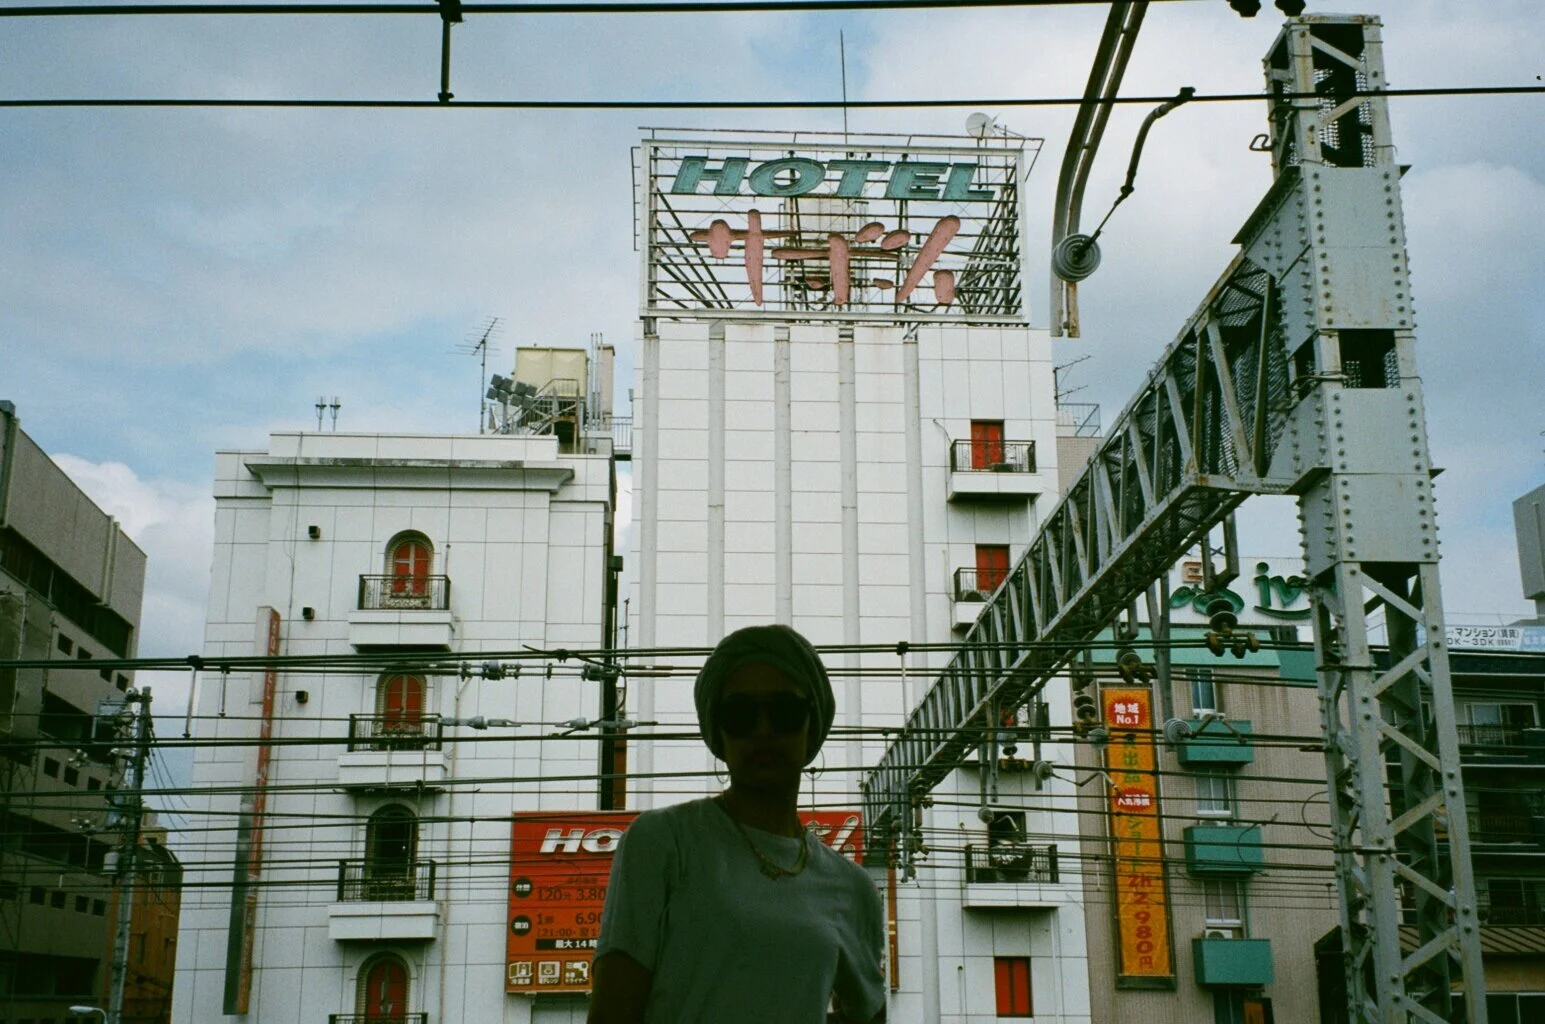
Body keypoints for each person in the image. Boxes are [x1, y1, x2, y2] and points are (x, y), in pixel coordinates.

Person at [588, 624, 886, 1024]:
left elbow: (868, 1012)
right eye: (740, 714)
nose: (763, 730)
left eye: (784, 712)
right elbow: (612, 1012)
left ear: (811, 724)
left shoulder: (853, 888)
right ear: (719, 730)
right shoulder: (662, 841)